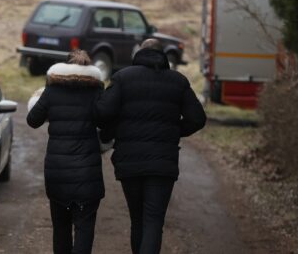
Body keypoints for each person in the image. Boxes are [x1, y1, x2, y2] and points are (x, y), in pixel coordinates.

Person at [97, 39, 206, 254]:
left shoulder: (122, 78)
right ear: (163, 55)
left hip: (129, 161)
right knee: (154, 221)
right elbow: (197, 118)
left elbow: (102, 113)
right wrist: (173, 130)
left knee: (137, 220)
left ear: (139, 53)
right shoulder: (178, 81)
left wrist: (119, 130)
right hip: (162, 164)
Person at [26, 49, 105, 254]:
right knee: (84, 228)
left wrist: (42, 96)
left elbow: (33, 120)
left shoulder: (52, 91)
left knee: (61, 228)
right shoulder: (96, 92)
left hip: (57, 171)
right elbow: (107, 122)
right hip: (87, 172)